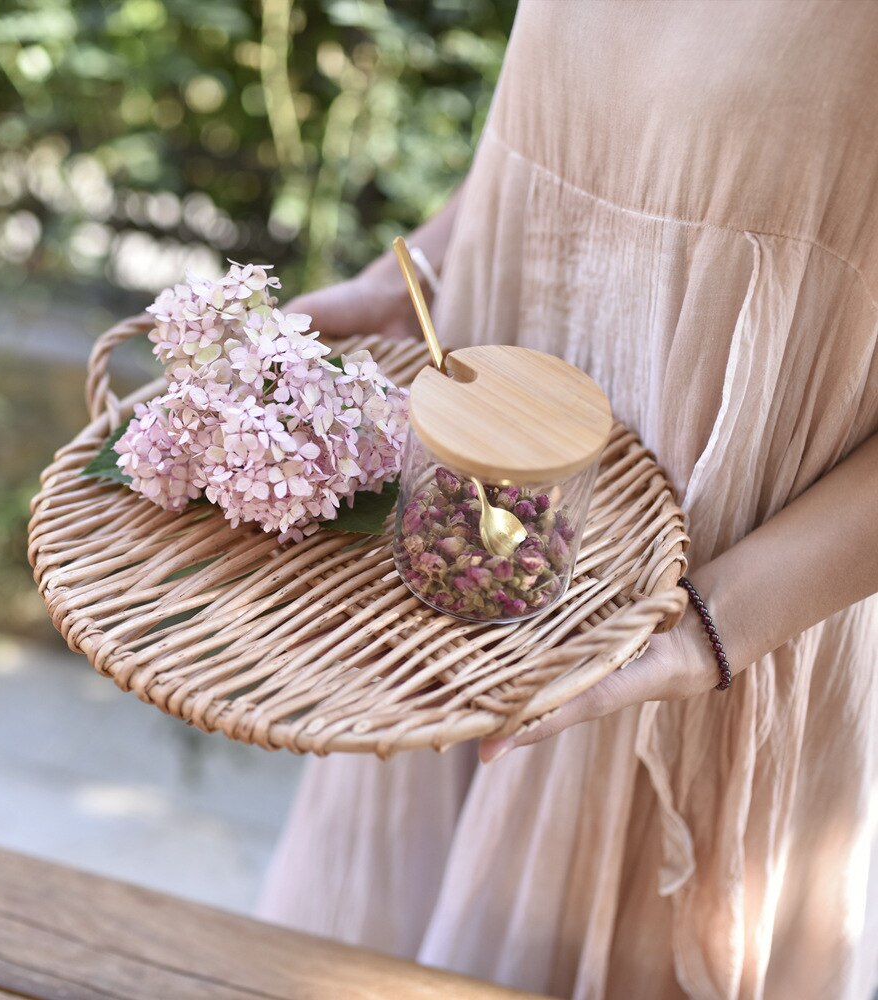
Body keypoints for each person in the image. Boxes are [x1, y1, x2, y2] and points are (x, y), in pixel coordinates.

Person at [257, 2, 878, 997]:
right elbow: (590, 124)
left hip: (686, 641)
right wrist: (412, 271)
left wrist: (700, 630)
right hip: (468, 543)